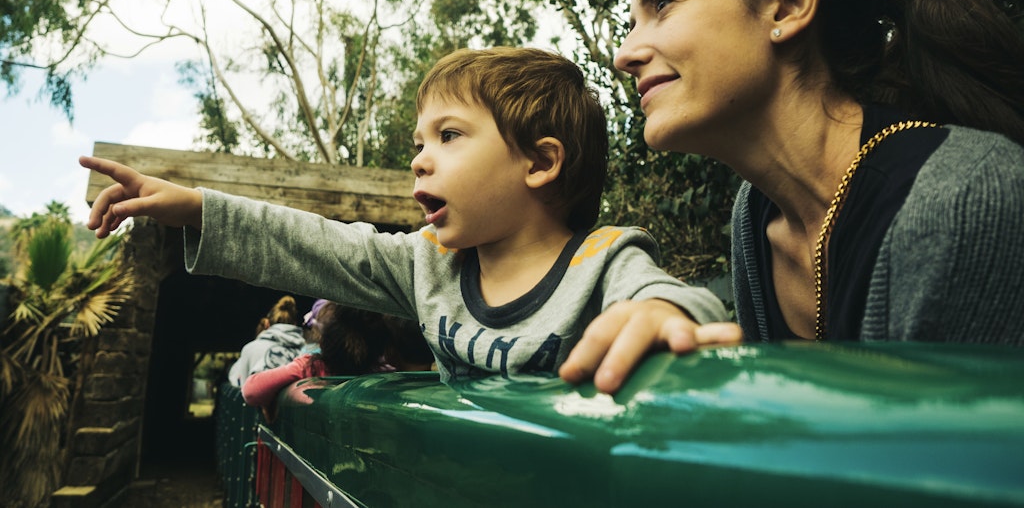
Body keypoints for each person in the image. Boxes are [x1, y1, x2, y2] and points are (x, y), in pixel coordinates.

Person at [80, 46, 730, 395]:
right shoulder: (428, 265)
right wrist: (195, 205)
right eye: (418, 142)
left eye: (448, 135)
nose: (419, 160)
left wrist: (665, 315)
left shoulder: (605, 261)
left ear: (539, 162)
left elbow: (672, 299)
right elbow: (314, 244)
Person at [588, 0, 1024, 360]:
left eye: (663, 4)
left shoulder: (966, 197)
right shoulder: (756, 216)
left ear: (789, 6)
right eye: (632, 22)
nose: (624, 55)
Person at [241, 301, 430, 416]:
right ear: (384, 347)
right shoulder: (387, 375)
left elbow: (251, 390)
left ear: (323, 341)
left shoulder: (309, 368)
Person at [227, 295, 306, 386]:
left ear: (267, 324)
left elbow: (240, 386)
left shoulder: (250, 348)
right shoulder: (306, 350)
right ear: (295, 324)